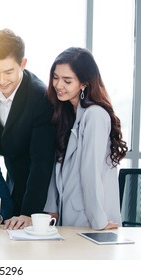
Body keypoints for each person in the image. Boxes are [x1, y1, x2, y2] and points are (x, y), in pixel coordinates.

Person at [0, 29, 55, 229]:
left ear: (23, 64)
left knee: (23, 228)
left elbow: (41, 161)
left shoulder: (40, 98)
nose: (1, 80)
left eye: (8, 72)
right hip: (11, 168)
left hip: (35, 177)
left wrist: (28, 212)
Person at [44, 47, 128, 230]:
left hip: (91, 220)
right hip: (68, 217)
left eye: (67, 81)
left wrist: (100, 221)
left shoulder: (95, 115)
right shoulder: (66, 112)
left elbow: (91, 171)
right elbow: (56, 163)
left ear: (83, 83)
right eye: (55, 77)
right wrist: (52, 207)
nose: (59, 85)